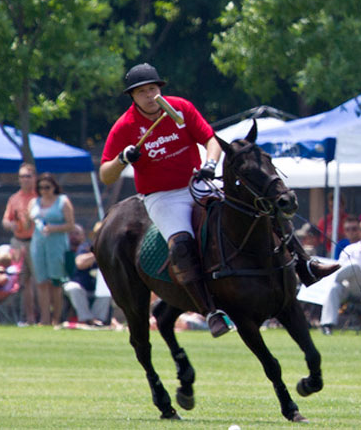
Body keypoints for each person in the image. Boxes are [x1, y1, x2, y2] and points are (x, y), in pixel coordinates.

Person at [99, 62, 231, 337]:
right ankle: (211, 312)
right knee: (182, 246)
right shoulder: (125, 126)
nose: (150, 96)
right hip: (162, 197)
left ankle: (301, 265)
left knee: (244, 215)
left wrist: (210, 164)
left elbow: (211, 139)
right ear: (132, 97)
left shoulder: (180, 107)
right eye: (143, 92)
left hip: (197, 183)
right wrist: (123, 159)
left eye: (153, 89)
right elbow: (105, 175)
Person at [29, 173, 74, 326]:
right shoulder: (34, 202)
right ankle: (45, 319)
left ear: (54, 187)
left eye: (47, 187)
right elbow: (29, 221)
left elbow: (71, 225)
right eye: (40, 188)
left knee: (56, 281)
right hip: (38, 243)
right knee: (41, 282)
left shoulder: (63, 201)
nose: (44, 191)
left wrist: (54, 228)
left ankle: (56, 318)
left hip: (57, 244)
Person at [2, 163, 38, 325]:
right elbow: (5, 220)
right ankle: (27, 317)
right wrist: (11, 225)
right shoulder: (14, 198)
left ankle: (43, 316)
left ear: (34, 178)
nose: (25, 179)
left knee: (40, 280)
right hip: (18, 242)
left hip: (36, 241)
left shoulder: (39, 196)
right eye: (22, 176)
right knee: (22, 281)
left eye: (28, 176)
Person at [62, 224, 111, 326]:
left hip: (97, 288)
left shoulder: (111, 250)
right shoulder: (85, 247)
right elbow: (80, 263)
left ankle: (98, 319)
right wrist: (97, 253)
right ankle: (87, 319)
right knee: (73, 288)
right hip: (81, 286)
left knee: (107, 289)